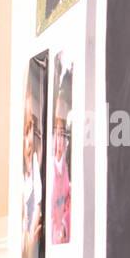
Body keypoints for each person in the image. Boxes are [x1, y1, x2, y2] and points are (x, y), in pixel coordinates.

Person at [22, 79, 43, 258]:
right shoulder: (22, 185)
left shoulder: (37, 177)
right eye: (27, 131)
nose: (29, 140)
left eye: (34, 131)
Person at [50, 65, 72, 245]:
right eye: (56, 133)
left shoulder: (64, 168)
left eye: (63, 134)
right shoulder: (53, 169)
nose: (59, 141)